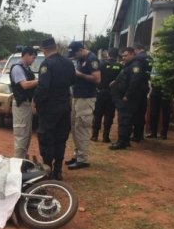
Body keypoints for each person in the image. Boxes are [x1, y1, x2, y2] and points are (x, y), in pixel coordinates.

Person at [34, 38, 75, 180]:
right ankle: (58, 170)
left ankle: (47, 170)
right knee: (60, 139)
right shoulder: (69, 63)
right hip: (64, 107)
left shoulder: (47, 64)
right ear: (55, 47)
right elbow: (72, 82)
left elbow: (43, 87)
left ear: (44, 50)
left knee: (47, 138)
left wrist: (37, 103)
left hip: (50, 108)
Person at [66, 41, 101, 169]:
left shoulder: (92, 59)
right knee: (75, 127)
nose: (73, 56)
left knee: (82, 127)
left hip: (86, 98)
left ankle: (83, 159)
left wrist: (80, 74)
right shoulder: (81, 60)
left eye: (74, 53)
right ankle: (77, 155)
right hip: (77, 97)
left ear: (81, 50)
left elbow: (97, 78)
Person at [109, 47, 146, 150]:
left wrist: (127, 95)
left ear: (132, 54)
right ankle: (125, 140)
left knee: (124, 119)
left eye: (126, 55)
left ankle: (122, 142)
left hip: (128, 98)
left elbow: (134, 82)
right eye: (123, 56)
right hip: (124, 96)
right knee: (125, 119)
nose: (124, 58)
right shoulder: (129, 65)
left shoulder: (136, 65)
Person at [9, 46, 38, 159]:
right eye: (33, 57)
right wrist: (40, 81)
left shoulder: (26, 68)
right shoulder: (17, 68)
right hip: (21, 105)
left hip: (26, 105)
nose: (33, 60)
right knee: (21, 136)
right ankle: (18, 165)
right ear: (26, 55)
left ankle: (22, 162)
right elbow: (25, 85)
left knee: (26, 135)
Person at [91, 48, 122, 143]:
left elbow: (95, 77)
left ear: (108, 54)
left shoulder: (101, 64)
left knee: (98, 114)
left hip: (101, 92)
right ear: (117, 56)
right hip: (112, 93)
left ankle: (95, 135)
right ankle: (106, 136)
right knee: (109, 114)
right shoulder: (120, 66)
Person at [131, 43, 152, 141]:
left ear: (136, 50)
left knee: (135, 112)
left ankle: (136, 135)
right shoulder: (149, 58)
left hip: (137, 88)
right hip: (145, 88)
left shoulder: (138, 59)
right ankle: (140, 135)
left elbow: (136, 76)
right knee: (142, 112)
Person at [146, 69, 171, 140]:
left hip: (165, 90)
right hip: (155, 89)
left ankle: (164, 133)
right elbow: (151, 76)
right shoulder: (155, 64)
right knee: (153, 111)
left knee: (165, 112)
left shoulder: (169, 63)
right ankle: (153, 132)